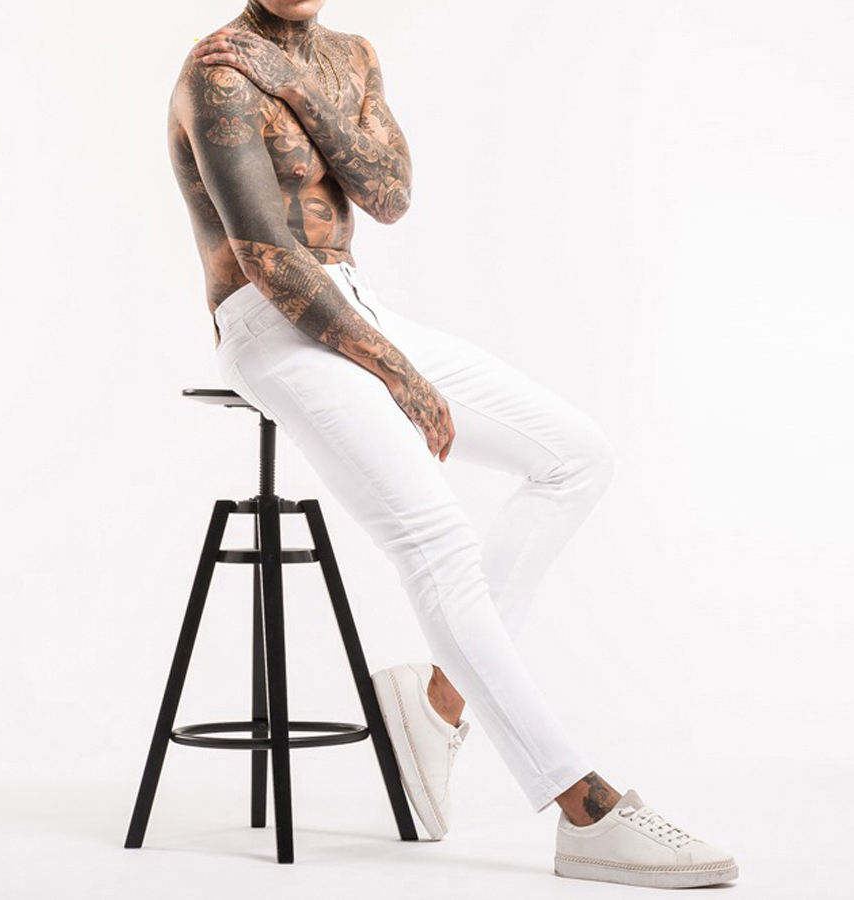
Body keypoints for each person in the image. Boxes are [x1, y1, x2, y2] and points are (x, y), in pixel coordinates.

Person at [168, 1, 737, 888]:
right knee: (437, 541)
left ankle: (435, 703)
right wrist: (396, 372)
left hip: (356, 305)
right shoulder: (218, 71)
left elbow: (389, 197)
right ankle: (583, 807)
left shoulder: (350, 55)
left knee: (575, 455)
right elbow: (269, 257)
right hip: (271, 325)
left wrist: (305, 92)